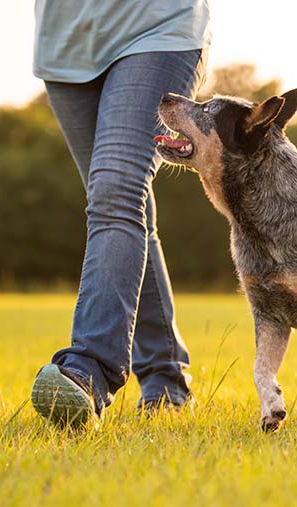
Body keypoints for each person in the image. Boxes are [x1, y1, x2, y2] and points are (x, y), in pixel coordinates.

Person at [29, 0, 211, 427]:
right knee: (122, 206)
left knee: (116, 193)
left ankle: (88, 370)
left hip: (157, 29)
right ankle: (165, 380)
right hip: (67, 45)